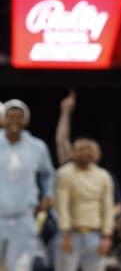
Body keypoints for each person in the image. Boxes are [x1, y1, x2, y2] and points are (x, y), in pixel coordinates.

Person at [0, 99, 55, 271]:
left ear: (26, 120)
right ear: (3, 119)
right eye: (10, 116)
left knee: (22, 266)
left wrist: (48, 194)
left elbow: (48, 175)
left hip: (24, 215)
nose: (14, 120)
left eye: (19, 116)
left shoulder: (37, 147)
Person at [55, 138, 114, 271]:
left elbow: (107, 207)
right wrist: (65, 234)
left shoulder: (103, 176)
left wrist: (107, 237)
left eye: (89, 151)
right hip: (71, 233)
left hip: (95, 235)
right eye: (81, 150)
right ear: (73, 153)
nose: (85, 154)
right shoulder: (65, 174)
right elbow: (62, 205)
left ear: (96, 154)